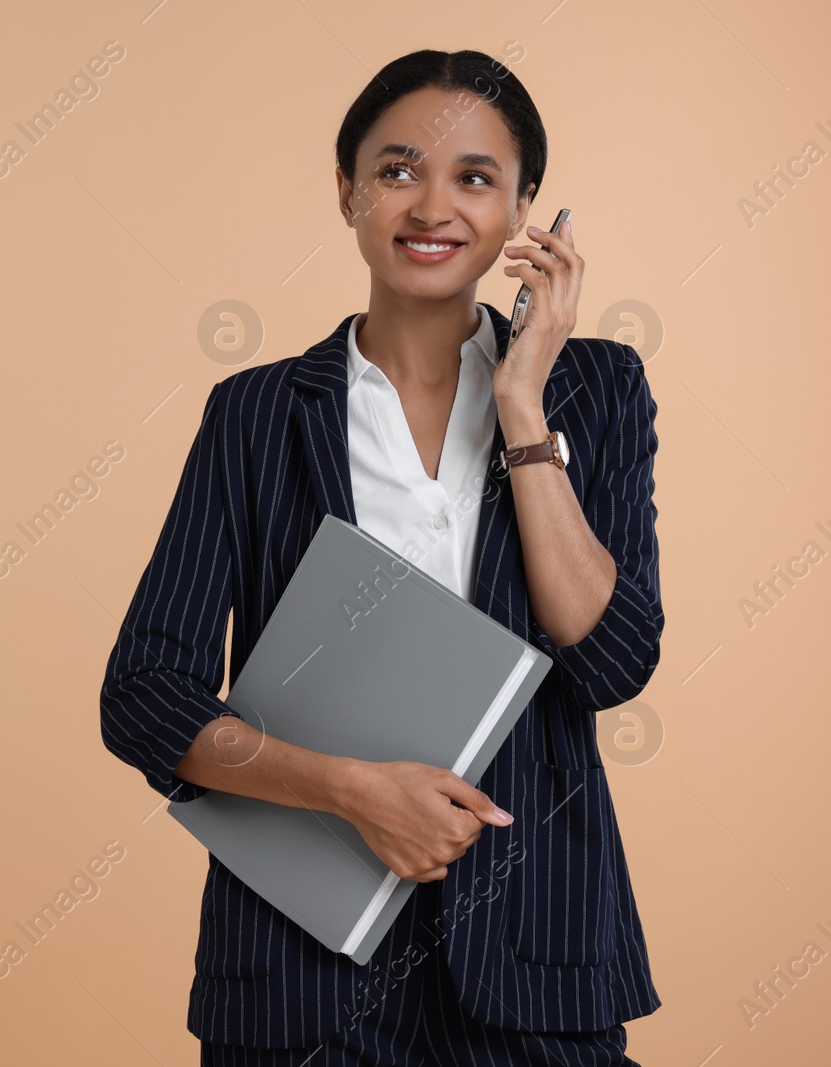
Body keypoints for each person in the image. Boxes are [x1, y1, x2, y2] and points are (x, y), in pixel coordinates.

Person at [98, 49, 662, 1066]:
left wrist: (524, 404)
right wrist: (348, 790)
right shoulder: (258, 414)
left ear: (525, 206)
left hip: (538, 957)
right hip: (298, 976)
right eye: (398, 170)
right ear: (348, 191)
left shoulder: (596, 389)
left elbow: (611, 662)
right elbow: (143, 693)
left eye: (475, 177)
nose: (431, 207)